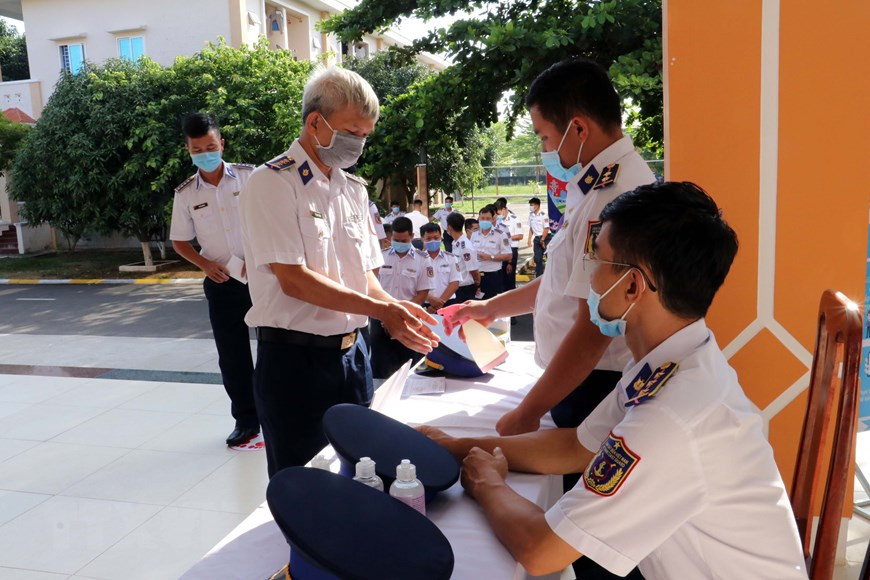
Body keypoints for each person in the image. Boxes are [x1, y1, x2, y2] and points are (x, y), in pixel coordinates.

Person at [421, 182, 807, 580]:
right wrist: (456, 447)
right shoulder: (671, 365)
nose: (588, 276)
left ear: (632, 286)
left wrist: (487, 483)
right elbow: (576, 445)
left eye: (597, 260)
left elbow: (541, 549)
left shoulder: (673, 414)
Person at [238, 67, 437, 477]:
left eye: (365, 135)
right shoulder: (272, 183)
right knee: (305, 485)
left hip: (353, 356)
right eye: (352, 132)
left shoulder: (354, 189)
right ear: (315, 122)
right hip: (295, 362)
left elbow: (363, 275)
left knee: (361, 473)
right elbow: (293, 279)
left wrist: (396, 312)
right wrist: (382, 311)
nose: (359, 144)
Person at [454, 58, 656, 438]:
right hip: (577, 381)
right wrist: (491, 307)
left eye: (545, 137)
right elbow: (563, 281)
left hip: (592, 386)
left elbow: (593, 329)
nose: (545, 150)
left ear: (578, 127)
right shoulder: (595, 187)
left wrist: (528, 411)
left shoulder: (610, 197)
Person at [169, 112, 258, 448]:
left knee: (276, 348)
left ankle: (278, 410)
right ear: (188, 150)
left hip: (261, 276)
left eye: (210, 145)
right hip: (222, 281)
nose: (205, 152)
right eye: (197, 148)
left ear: (221, 143)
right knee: (232, 356)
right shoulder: (187, 193)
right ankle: (247, 420)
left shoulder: (250, 177)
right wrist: (204, 263)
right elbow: (179, 241)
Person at [370, 216, 434, 378]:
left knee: (410, 366)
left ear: (412, 237)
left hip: (410, 319)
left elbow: (423, 292)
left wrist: (402, 315)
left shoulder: (422, 259)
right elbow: (373, 286)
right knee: (381, 367)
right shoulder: (381, 256)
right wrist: (385, 314)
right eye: (395, 239)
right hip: (381, 319)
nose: (399, 243)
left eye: (404, 240)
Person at [470, 205, 512, 300]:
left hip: (493, 275)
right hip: (477, 275)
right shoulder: (474, 234)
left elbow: (509, 255)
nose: (484, 221)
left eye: (488, 218)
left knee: (492, 304)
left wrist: (491, 257)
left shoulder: (500, 235)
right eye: (482, 218)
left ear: (493, 219)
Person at [420, 223, 462, 314]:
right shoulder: (417, 260)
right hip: (425, 305)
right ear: (422, 239)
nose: (433, 241)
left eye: (436, 238)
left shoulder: (450, 258)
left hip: (448, 303)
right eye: (428, 238)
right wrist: (432, 300)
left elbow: (454, 283)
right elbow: (414, 285)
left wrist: (439, 303)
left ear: (441, 237)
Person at [445, 212, 480, 303]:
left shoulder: (465, 246)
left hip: (465, 289)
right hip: (457, 287)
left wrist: (477, 284)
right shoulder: (456, 243)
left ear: (449, 227)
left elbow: (473, 270)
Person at [495, 197, 523, 291]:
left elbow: (520, 235)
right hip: (500, 251)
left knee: (510, 277)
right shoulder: (498, 220)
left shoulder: (514, 219)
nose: (498, 215)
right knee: (501, 277)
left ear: (504, 209)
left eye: (499, 213)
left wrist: (506, 238)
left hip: (512, 250)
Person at [527, 196, 550, 277]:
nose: (531, 207)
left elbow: (546, 228)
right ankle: (539, 276)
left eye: (532, 205)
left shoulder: (544, 215)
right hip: (537, 239)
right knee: (537, 258)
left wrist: (543, 239)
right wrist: (529, 240)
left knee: (549, 257)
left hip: (546, 238)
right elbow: (531, 228)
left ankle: (550, 275)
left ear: (537, 205)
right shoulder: (531, 215)